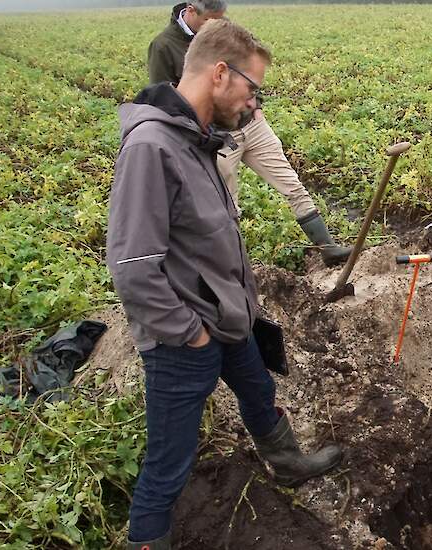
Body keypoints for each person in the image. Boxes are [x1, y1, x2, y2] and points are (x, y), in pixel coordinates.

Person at [110, 19, 343, 550]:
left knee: (259, 391)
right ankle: (148, 539)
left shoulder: (197, 138)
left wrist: (237, 306)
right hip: (185, 336)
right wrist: (188, 333)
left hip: (227, 315)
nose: (255, 104)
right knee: (170, 459)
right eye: (252, 88)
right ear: (220, 73)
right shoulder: (152, 147)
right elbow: (133, 265)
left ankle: (286, 462)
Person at [148, 1, 351, 267]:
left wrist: (257, 108)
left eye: (221, 18)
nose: (217, 24)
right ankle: (234, 267)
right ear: (191, 10)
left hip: (250, 126)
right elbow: (166, 96)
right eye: (212, 19)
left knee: (291, 183)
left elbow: (247, 72)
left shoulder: (224, 35)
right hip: (215, 135)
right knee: (226, 205)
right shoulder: (164, 45)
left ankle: (327, 247)